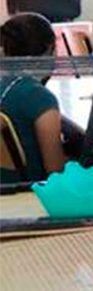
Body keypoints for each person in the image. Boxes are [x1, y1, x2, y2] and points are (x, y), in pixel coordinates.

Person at [0, 13, 68, 183]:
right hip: (31, 189)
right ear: (51, 49)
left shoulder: (8, 85)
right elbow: (55, 172)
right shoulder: (39, 99)